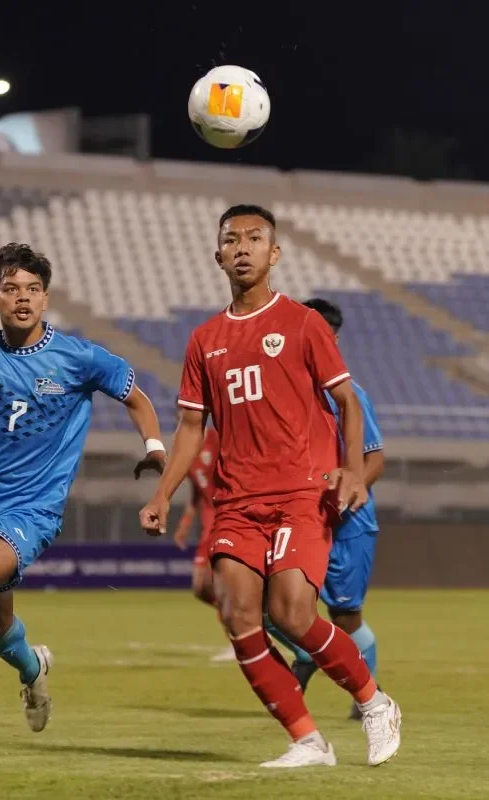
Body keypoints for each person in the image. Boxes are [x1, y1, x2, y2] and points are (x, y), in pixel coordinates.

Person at [140, 205, 401, 768]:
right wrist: (163, 492)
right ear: (217, 256)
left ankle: (375, 702)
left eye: (255, 238)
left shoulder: (304, 324)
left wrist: (353, 469)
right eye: (231, 239)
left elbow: (347, 401)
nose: (242, 247)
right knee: (238, 618)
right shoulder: (203, 339)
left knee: (293, 614)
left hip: (300, 494)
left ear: (273, 253)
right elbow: (191, 427)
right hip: (236, 500)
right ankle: (308, 740)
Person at [0, 242, 167, 746]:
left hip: (34, 508)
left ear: (46, 299)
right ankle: (33, 667)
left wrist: (153, 445)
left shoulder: (78, 357)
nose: (22, 298)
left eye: (33, 289)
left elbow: (136, 396)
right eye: (10, 289)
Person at [265, 298, 385, 720]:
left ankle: (369, 697)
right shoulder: (287, 390)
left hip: (348, 526)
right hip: (301, 517)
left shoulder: (351, 396)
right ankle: (307, 651)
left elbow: (375, 459)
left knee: (345, 615)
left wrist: (350, 489)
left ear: (327, 338)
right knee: (267, 604)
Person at [172, 422, 235, 662]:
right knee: (201, 589)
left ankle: (241, 635)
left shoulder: (216, 439)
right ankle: (244, 623)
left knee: (216, 585)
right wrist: (185, 523)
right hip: (207, 526)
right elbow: (196, 491)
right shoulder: (186, 445)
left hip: (225, 519)